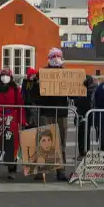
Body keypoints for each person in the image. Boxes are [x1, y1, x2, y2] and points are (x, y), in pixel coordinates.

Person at [31, 48, 72, 182]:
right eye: (53, 56)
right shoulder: (41, 74)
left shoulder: (67, 75)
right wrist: (34, 83)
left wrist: (83, 85)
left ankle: (61, 171)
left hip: (61, 112)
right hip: (46, 111)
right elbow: (34, 95)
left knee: (61, 143)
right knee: (43, 140)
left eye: (58, 56)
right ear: (49, 58)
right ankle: (41, 169)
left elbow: (73, 94)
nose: (56, 58)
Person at [0, 68, 26, 180]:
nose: (5, 77)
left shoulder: (16, 89)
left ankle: (12, 170)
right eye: (3, 75)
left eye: (7, 75)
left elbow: (20, 105)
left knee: (11, 144)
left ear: (11, 77)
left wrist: (22, 120)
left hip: (11, 119)